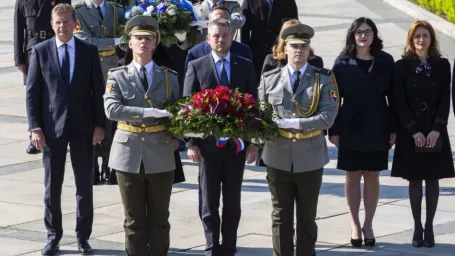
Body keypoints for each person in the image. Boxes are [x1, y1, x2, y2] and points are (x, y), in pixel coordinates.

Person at [26, 4, 105, 255]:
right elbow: (32, 93)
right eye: (58, 22)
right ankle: (53, 236)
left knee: (84, 186)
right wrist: (35, 127)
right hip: (51, 130)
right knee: (53, 187)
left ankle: (83, 237)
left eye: (66, 22)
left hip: (83, 128)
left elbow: (98, 92)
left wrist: (99, 125)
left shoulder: (88, 51)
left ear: (75, 23)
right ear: (52, 24)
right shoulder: (40, 51)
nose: (62, 26)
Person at [259, 23, 338, 256]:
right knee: (280, 216)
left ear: (309, 50)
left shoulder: (323, 79)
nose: (299, 51)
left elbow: (328, 117)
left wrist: (298, 124)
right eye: (294, 46)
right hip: (277, 154)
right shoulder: (270, 78)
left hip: (310, 156)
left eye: (304, 46)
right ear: (285, 48)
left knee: (306, 217)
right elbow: (261, 114)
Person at [104, 15, 180, 256]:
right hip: (128, 152)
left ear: (155, 42)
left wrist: (181, 138)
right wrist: (147, 112)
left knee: (160, 218)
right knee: (133, 219)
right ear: (130, 42)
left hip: (161, 149)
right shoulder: (117, 75)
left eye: (148, 38)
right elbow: (112, 110)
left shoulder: (169, 77)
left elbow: (179, 111)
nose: (143, 43)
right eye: (138, 38)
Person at [183, 18, 258, 256]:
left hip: (236, 147)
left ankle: (229, 246)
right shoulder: (197, 66)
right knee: (208, 201)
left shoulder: (244, 65)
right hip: (207, 148)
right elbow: (187, 108)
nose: (220, 40)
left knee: (233, 202)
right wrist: (191, 143)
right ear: (208, 38)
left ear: (232, 37)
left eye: (225, 35)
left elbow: (254, 106)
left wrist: (254, 143)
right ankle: (211, 245)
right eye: (215, 35)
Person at [327, 17, 396, 248]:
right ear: (353, 36)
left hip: (378, 122)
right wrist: (333, 130)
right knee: (352, 175)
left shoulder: (386, 61)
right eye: (359, 32)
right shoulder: (342, 62)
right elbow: (333, 99)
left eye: (368, 32)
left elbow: (394, 98)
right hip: (350, 123)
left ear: (374, 35)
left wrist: (394, 128)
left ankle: (369, 224)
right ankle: (355, 224)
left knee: (373, 176)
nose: (363, 36)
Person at [391, 20, 455, 248]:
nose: (421, 40)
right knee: (415, 179)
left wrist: (437, 130)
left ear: (431, 39)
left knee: (433, 179)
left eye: (425, 35)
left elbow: (445, 99)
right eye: (417, 36)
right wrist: (413, 130)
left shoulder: (442, 65)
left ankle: (429, 227)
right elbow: (399, 101)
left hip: (434, 129)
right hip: (411, 130)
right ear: (411, 39)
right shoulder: (401, 66)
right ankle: (417, 226)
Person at [73, 0, 126, 185]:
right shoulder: (78, 11)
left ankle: (109, 164)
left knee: (112, 118)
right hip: (91, 69)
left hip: (115, 69)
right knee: (93, 116)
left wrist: (124, 42)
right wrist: (116, 42)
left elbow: (127, 40)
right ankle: (93, 166)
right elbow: (85, 40)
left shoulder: (117, 9)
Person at [14, 0, 72, 155]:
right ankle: (33, 134)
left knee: (56, 93)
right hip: (32, 51)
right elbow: (19, 29)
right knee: (34, 94)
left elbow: (69, 24)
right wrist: (19, 58)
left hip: (54, 48)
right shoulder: (23, 1)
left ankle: (60, 130)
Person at [184, 5, 252, 74]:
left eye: (226, 22)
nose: (221, 25)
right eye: (217, 21)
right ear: (208, 24)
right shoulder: (195, 54)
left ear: (231, 25)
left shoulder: (243, 51)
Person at [241, 0, 298, 82]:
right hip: (256, 54)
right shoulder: (250, 1)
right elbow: (244, 30)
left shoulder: (289, 2)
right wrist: (245, 53)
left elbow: (294, 26)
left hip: (280, 54)